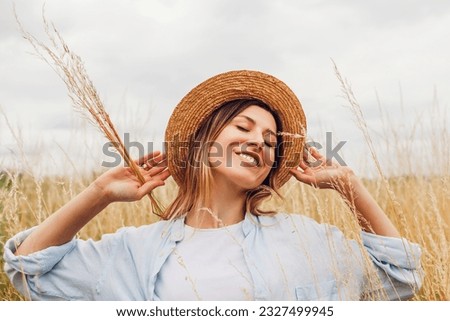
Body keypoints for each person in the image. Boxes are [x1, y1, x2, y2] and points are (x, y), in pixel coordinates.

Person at [4, 70, 422, 300]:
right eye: (243, 126)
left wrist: (350, 186)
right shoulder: (131, 252)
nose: (259, 141)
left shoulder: (307, 242)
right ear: (203, 140)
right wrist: (97, 194)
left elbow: (403, 276)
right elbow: (26, 269)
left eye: (272, 141)